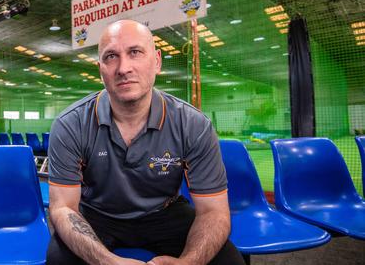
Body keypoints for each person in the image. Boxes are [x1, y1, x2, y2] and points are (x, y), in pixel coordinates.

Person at [47, 20, 244, 265]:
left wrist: (189, 262)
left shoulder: (193, 124)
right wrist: (107, 262)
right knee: (58, 260)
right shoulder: (70, 124)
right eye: (111, 56)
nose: (123, 68)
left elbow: (214, 211)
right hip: (97, 215)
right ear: (100, 69)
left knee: (229, 261)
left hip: (164, 213)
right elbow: (63, 208)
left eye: (135, 52)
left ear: (157, 61)